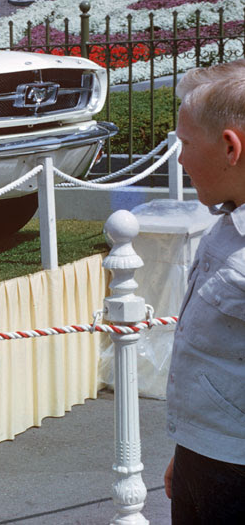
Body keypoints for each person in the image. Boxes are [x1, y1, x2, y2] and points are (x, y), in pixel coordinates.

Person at [162, 59, 245, 524]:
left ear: (230, 147)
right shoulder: (228, 224)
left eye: (187, 144)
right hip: (205, 455)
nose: (180, 160)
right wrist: (190, 451)